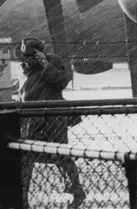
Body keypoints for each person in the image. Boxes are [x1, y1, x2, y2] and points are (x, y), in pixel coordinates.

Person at [18, 37, 86, 209]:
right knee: (26, 158)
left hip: (53, 119)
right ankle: (23, 198)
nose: (29, 59)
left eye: (32, 54)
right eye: (26, 55)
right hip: (31, 119)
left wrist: (44, 63)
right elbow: (25, 94)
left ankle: (76, 189)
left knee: (60, 154)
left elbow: (61, 81)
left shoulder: (52, 61)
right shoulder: (25, 69)